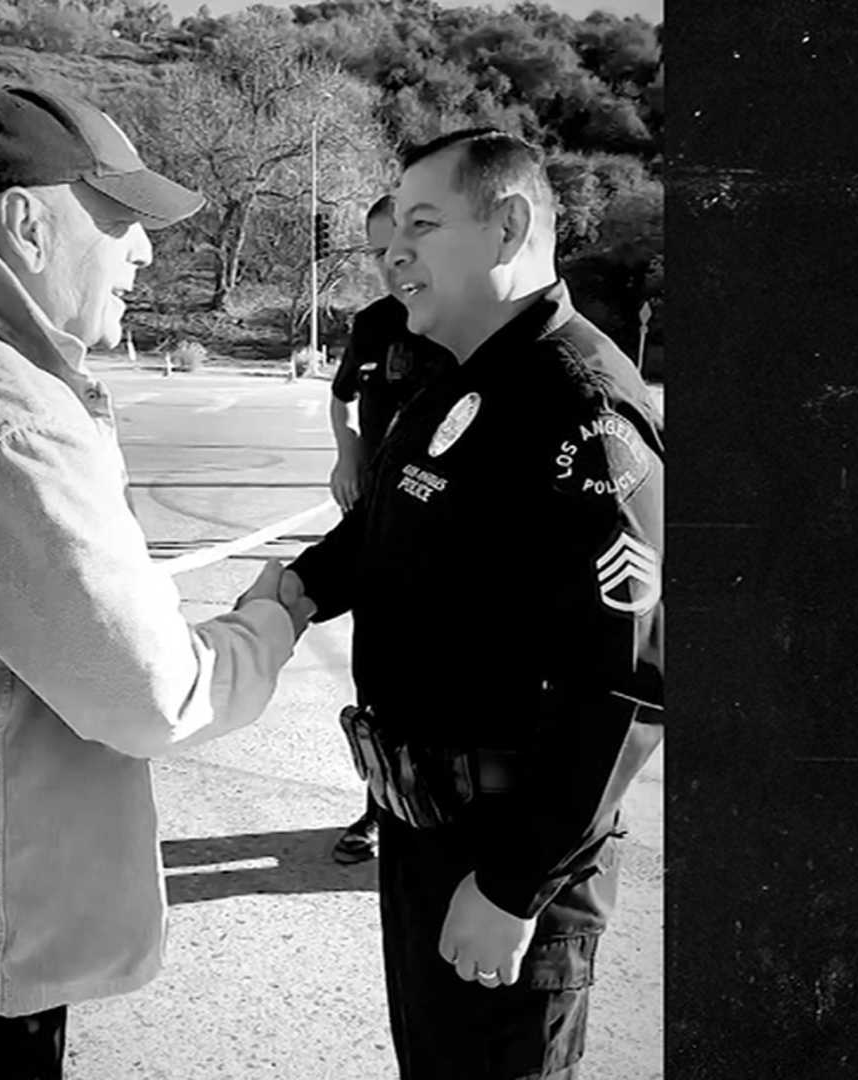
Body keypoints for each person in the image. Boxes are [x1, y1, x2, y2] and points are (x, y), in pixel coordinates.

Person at [281, 128, 664, 1079]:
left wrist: (513, 885)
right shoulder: (460, 379)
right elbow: (388, 531)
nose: (394, 252)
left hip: (506, 849)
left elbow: (631, 679)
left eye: (421, 224)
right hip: (424, 824)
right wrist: (298, 587)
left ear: (508, 228)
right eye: (384, 238)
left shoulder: (577, 403)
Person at [0, 84, 313, 1080]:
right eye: (120, 219)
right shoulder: (9, 418)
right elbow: (154, 695)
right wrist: (268, 623)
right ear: (28, 222)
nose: (146, 253)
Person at [327, 195, 454, 864]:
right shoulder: (374, 324)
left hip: (443, 532)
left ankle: (433, 807)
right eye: (376, 252)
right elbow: (342, 396)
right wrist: (346, 454)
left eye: (400, 246)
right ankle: (379, 806)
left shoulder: (461, 324)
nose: (389, 263)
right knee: (375, 675)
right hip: (375, 523)